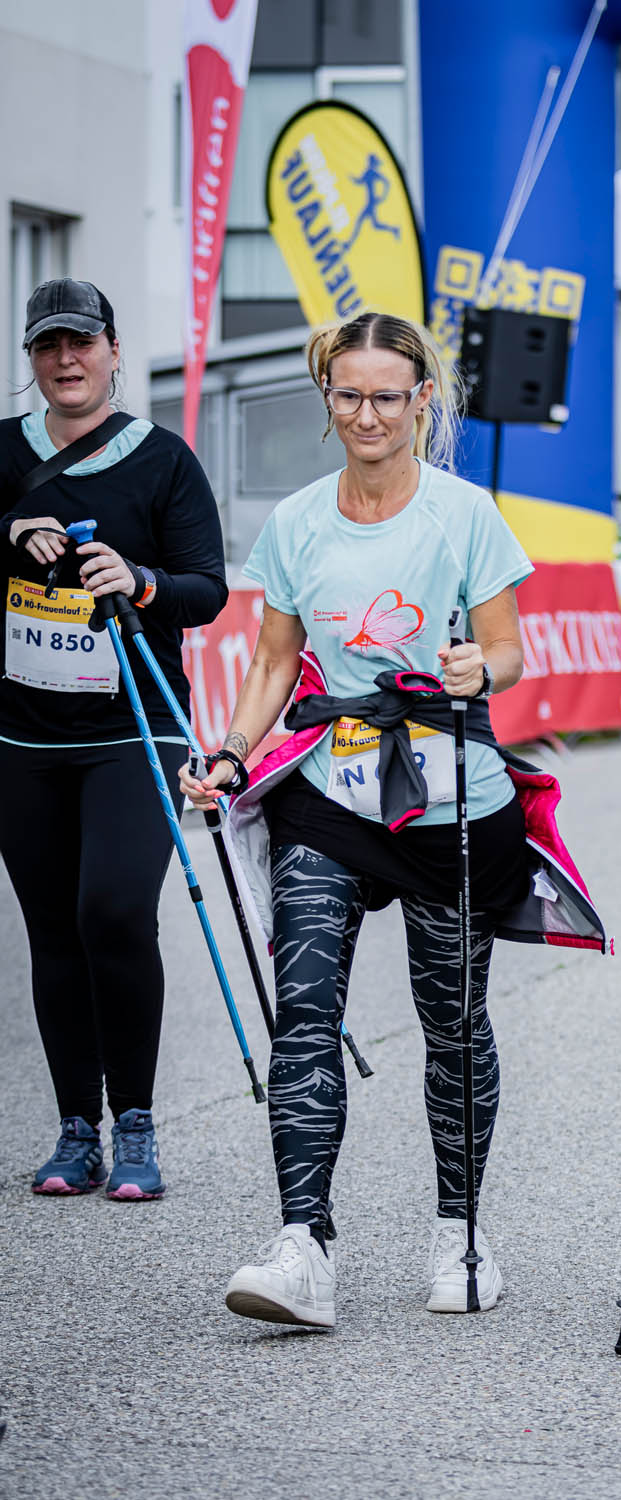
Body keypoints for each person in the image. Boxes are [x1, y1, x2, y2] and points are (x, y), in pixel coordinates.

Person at [181, 310, 604, 1330]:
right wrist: (231, 751)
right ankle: (303, 1247)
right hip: (330, 794)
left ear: (420, 401)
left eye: (386, 396)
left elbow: (509, 652)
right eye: (348, 395)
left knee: (451, 1023)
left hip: (451, 797)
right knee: (304, 1010)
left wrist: (474, 668)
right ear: (326, 399)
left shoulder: (464, 514)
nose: (367, 414)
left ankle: (461, 1232)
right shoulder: (296, 522)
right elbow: (275, 663)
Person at [0, 278, 227, 1201]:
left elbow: (205, 590)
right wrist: (9, 530)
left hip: (132, 729)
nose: (67, 360)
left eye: (82, 343)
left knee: (116, 911)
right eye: (48, 346)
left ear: (114, 349)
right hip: (23, 737)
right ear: (31, 357)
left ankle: (134, 1121)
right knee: (53, 928)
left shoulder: (161, 459)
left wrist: (137, 581)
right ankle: (75, 1129)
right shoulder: (5, 452)